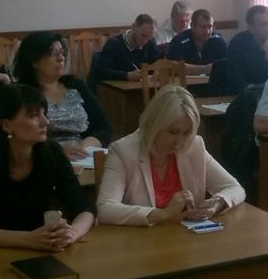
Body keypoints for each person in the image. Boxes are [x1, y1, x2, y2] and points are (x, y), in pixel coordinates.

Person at [0, 83, 94, 250]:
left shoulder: (52, 153)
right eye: (34, 116)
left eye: (44, 114)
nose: (45, 122)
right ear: (6, 125)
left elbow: (84, 210)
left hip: (41, 247)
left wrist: (71, 233)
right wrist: (28, 239)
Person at [97, 85, 244, 226]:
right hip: (142, 238)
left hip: (185, 237)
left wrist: (216, 204)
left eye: (186, 133)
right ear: (154, 124)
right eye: (173, 132)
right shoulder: (123, 151)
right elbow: (105, 209)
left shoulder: (194, 146)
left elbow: (234, 188)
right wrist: (163, 214)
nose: (179, 141)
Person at [14, 31, 112, 160]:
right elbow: (18, 136)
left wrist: (83, 146)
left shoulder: (76, 85)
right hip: (42, 158)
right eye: (53, 53)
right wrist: (58, 150)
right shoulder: (21, 93)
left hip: (82, 156)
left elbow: (103, 127)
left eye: (62, 52)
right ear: (34, 61)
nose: (61, 58)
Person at [225, 5, 268, 94]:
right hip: (248, 96)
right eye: (264, 24)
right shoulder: (238, 43)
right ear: (251, 28)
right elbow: (236, 82)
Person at [91, 14, 160, 83]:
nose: (145, 41)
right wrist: (127, 75)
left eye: (149, 37)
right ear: (134, 27)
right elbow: (101, 71)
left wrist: (157, 72)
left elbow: (157, 64)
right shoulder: (114, 44)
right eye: (143, 35)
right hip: (117, 87)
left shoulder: (150, 42)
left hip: (142, 86)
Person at [166, 8, 227, 75]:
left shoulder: (217, 39)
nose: (207, 31)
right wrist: (204, 69)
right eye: (203, 27)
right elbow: (173, 67)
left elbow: (228, 62)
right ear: (192, 26)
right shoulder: (179, 41)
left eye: (210, 27)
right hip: (187, 81)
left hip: (213, 81)